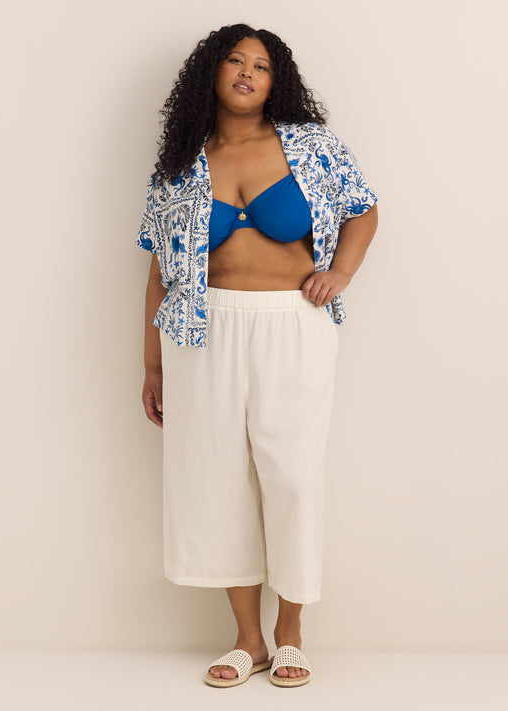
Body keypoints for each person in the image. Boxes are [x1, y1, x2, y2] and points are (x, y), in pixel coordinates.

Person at [135, 23, 378, 688]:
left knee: (293, 476)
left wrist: (341, 273)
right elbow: (159, 270)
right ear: (210, 73)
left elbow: (362, 210)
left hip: (291, 324)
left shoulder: (311, 145)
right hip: (200, 331)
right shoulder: (180, 163)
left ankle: (290, 633)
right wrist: (151, 365)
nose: (247, 72)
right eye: (235, 61)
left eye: (262, 66)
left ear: (276, 82)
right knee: (214, 481)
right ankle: (248, 639)